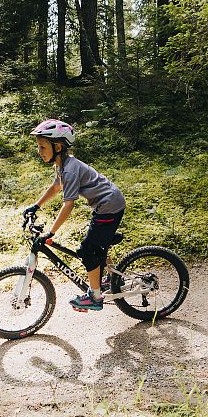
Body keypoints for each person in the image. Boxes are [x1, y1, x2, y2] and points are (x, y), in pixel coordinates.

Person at [23, 119, 126, 311]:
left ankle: (95, 297)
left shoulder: (69, 169)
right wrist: (35, 206)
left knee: (87, 249)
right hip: (107, 203)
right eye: (39, 147)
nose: (39, 151)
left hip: (109, 205)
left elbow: (68, 205)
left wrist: (51, 232)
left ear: (58, 146)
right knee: (96, 244)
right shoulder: (63, 165)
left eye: (43, 147)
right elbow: (56, 187)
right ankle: (110, 278)